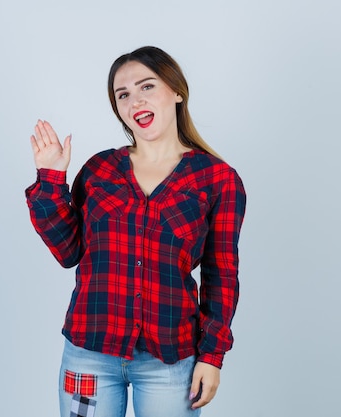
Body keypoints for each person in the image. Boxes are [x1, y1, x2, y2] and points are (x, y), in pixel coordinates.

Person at [25, 46, 246, 417]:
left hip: (169, 361)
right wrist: (51, 177)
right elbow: (67, 252)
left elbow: (221, 275)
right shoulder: (100, 170)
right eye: (123, 94)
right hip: (89, 354)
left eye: (146, 87)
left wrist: (212, 356)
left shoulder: (217, 180)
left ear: (176, 91)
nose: (134, 101)